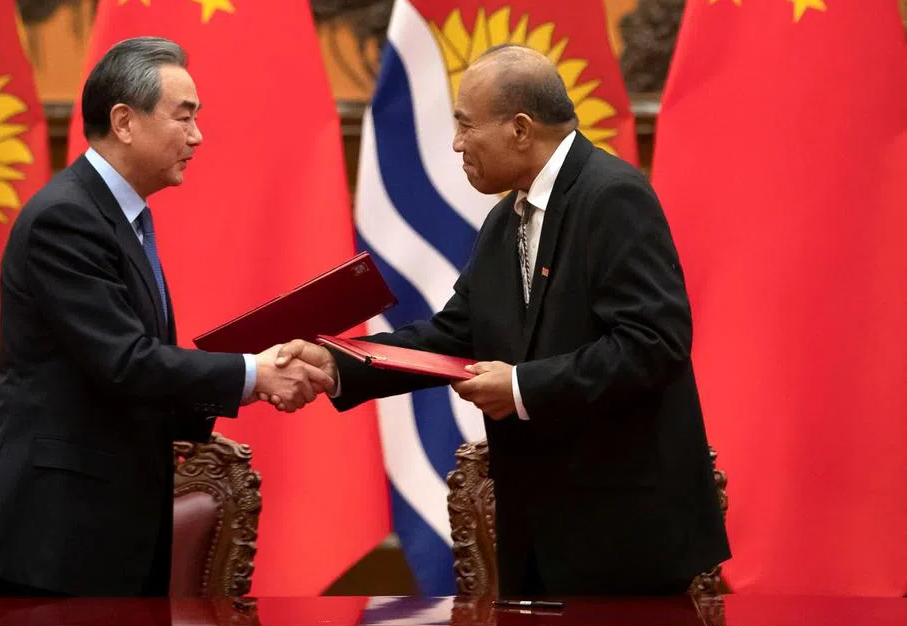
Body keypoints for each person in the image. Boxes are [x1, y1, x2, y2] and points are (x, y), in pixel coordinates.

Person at [280, 44, 730, 597]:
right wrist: (338, 361)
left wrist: (520, 387)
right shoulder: (505, 220)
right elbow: (451, 335)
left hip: (624, 539)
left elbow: (652, 345)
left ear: (520, 129)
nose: (456, 143)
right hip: (538, 532)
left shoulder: (613, 196)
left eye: (466, 126)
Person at [0, 37, 331, 597]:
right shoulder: (66, 219)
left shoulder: (116, 217)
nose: (197, 136)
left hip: (106, 527)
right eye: (184, 117)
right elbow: (124, 361)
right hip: (54, 538)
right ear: (124, 121)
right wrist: (254, 373)